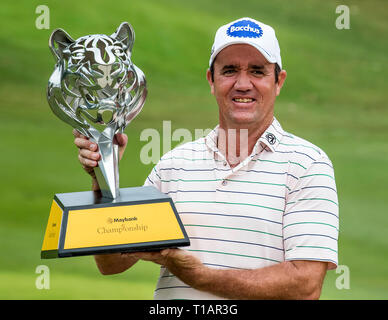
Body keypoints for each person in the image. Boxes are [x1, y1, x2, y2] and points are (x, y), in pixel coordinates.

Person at [74, 17, 339, 300]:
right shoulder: (174, 165)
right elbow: (112, 263)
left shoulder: (308, 165)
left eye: (257, 71)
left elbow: (305, 286)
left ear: (278, 81)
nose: (243, 83)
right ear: (211, 80)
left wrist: (199, 277)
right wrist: (105, 175)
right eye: (230, 70)